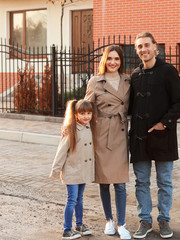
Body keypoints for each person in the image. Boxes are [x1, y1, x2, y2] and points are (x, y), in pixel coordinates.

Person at [129, 32, 180, 239]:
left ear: (155, 47)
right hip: (139, 138)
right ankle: (145, 220)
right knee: (141, 182)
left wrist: (164, 123)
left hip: (163, 136)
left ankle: (164, 220)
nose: (143, 49)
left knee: (165, 182)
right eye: (139, 47)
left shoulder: (168, 71)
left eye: (146, 45)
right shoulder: (134, 75)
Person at [84, 45, 131, 239]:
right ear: (104, 60)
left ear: (121, 61)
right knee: (104, 182)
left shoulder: (128, 80)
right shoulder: (95, 81)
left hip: (120, 133)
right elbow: (85, 107)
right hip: (101, 133)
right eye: (110, 58)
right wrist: (74, 129)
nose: (113, 62)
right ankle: (108, 220)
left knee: (120, 183)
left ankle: (121, 224)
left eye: (117, 59)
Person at [50, 99, 97, 240]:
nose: (86, 116)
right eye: (82, 113)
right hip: (72, 171)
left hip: (83, 171)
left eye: (89, 113)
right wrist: (55, 170)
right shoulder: (71, 130)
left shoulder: (90, 127)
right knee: (72, 200)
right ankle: (66, 229)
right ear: (76, 114)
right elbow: (61, 152)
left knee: (80, 199)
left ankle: (79, 225)